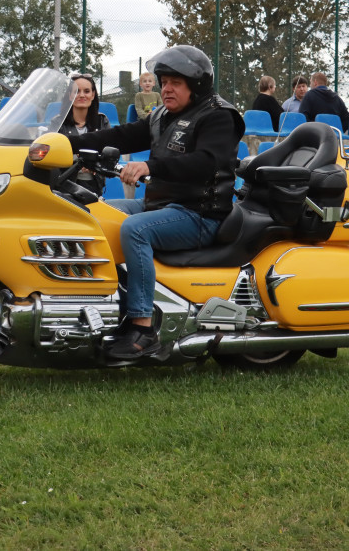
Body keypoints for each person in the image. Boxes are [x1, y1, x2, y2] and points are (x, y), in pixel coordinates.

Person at [67, 45, 244, 358]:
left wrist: (152, 166)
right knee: (95, 214)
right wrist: (66, 143)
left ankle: (143, 326)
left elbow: (206, 162)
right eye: (163, 82)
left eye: (175, 82)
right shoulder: (162, 115)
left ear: (196, 84)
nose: (166, 89)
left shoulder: (218, 116)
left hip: (200, 213)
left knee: (135, 229)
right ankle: (108, 310)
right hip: (161, 205)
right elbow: (121, 136)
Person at [51, 73, 112, 194]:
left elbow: (109, 153)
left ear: (93, 95)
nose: (82, 95)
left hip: (94, 186)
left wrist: (94, 164)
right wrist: (80, 161)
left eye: (87, 91)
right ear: (69, 95)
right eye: (77, 91)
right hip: (64, 185)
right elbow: (52, 154)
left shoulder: (102, 121)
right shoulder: (58, 122)